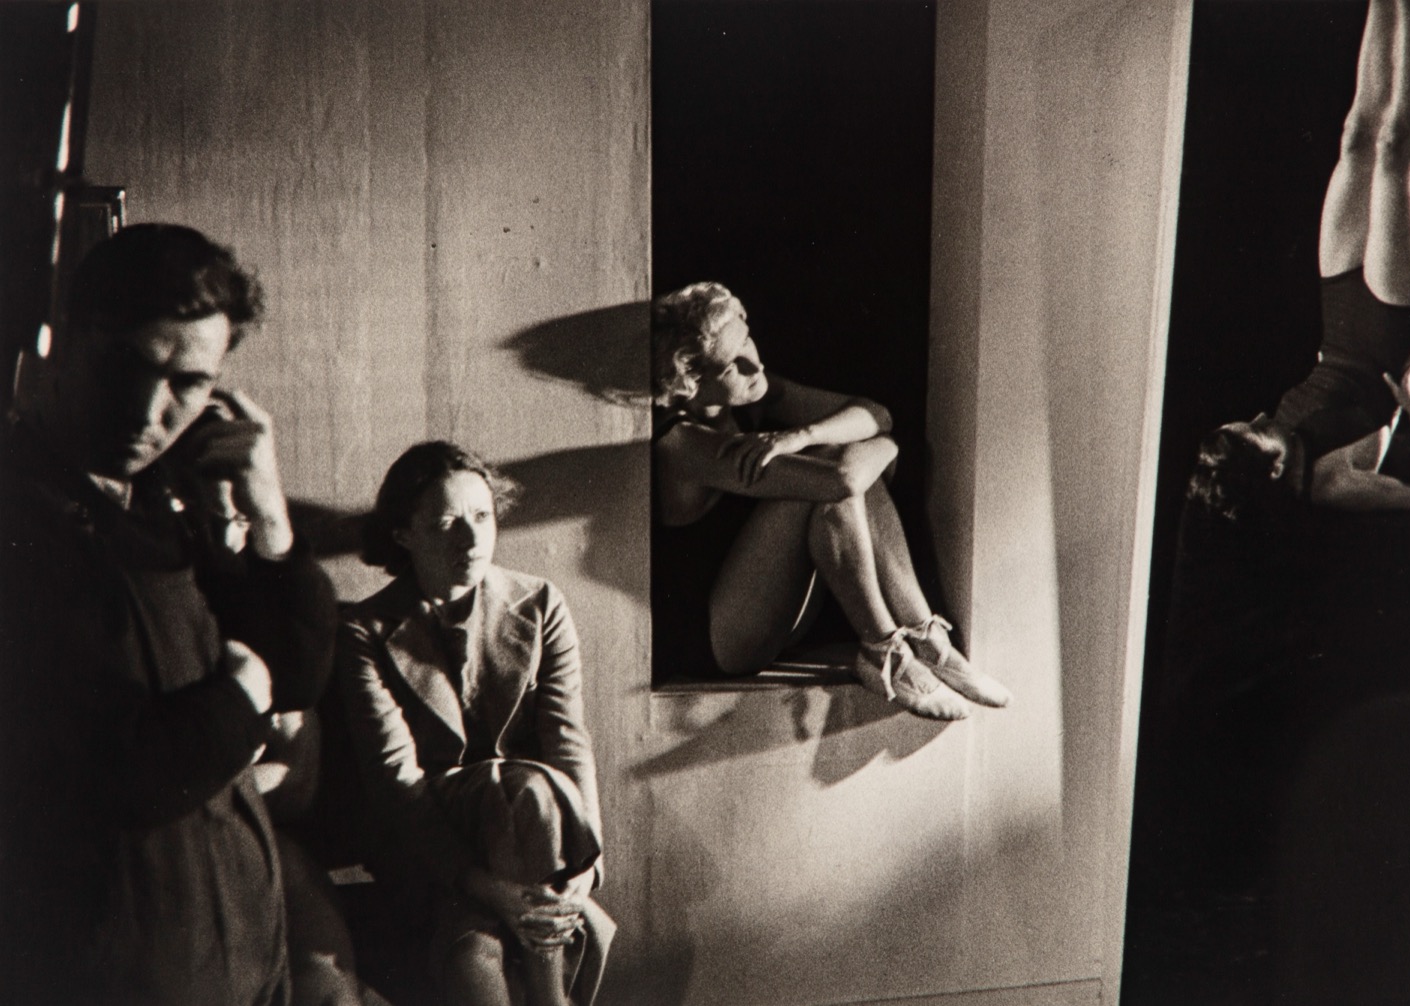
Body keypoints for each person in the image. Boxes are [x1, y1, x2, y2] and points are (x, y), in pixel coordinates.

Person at [0, 223, 338, 1004]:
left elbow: (298, 671)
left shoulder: (160, 502)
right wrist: (242, 697)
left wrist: (267, 513)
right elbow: (108, 773)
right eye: (126, 365)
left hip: (231, 955)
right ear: (66, 343)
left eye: (187, 383)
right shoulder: (22, 515)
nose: (147, 410)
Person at [650, 281, 1011, 720]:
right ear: (691, 383)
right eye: (731, 366)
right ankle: (881, 648)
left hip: (776, 614)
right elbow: (843, 476)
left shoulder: (751, 395)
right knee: (832, 476)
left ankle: (927, 639)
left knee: (845, 468)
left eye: (746, 340)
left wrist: (801, 434)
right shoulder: (681, 442)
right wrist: (886, 447)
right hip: (722, 640)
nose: (754, 364)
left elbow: (877, 414)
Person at [336, 441, 613, 1006]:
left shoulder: (540, 604)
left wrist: (587, 867)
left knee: (473, 950)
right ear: (403, 534)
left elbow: (567, 740)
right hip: (429, 843)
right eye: (447, 524)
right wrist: (489, 888)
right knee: (521, 785)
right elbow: (397, 783)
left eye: (483, 517)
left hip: (535, 838)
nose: (471, 540)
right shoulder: (366, 631)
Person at [1189, 0, 1410, 519]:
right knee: (1398, 141)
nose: (1259, 415)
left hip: (1342, 323)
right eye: (1257, 430)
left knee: (1357, 136)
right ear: (1273, 470)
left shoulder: (1265, 441)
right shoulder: (1327, 484)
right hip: (1391, 331)